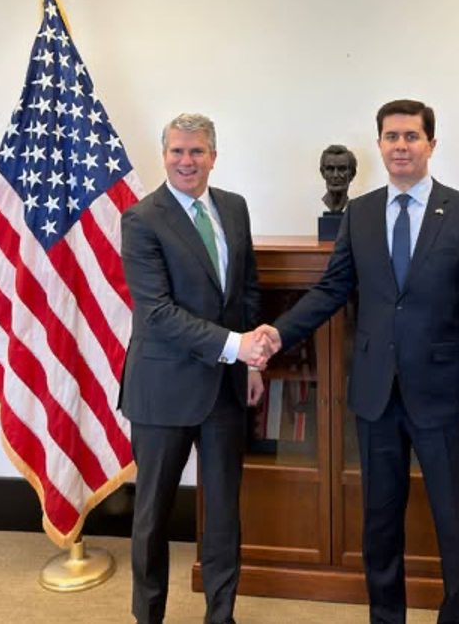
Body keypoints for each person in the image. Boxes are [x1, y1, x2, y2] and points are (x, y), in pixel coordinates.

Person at [258, 99, 459, 624]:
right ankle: (386, 617)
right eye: (392, 137)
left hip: (445, 396)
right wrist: (276, 333)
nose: (401, 146)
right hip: (375, 396)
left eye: (411, 136)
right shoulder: (361, 213)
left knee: (455, 523)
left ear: (431, 144)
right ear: (379, 145)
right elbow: (332, 290)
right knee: (379, 522)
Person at [119, 113, 268, 624]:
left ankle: (221, 616)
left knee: (224, 515)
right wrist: (236, 347)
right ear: (164, 156)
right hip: (162, 388)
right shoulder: (141, 218)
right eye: (177, 151)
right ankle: (148, 616)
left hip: (226, 388)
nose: (187, 161)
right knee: (153, 515)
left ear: (213, 156)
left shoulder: (234, 207)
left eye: (197, 151)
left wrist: (250, 364)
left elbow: (246, 291)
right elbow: (157, 313)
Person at [320, 144, 357, 213]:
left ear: (352, 174)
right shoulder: (310, 208)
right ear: (322, 172)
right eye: (330, 169)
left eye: (342, 169)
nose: (335, 175)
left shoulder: (358, 210)